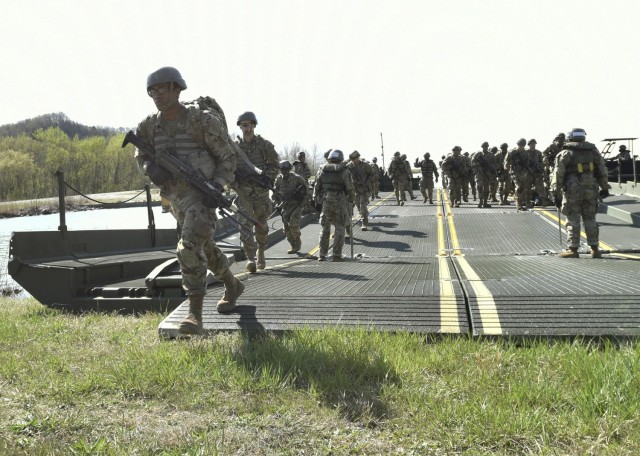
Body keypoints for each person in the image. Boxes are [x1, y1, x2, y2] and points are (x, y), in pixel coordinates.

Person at [134, 66, 244, 334]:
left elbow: (228, 158)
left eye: (162, 89)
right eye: (152, 91)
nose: (157, 95)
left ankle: (195, 314)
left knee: (187, 248)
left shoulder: (203, 122)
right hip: (176, 200)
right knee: (203, 249)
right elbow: (140, 154)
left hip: (203, 196)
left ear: (176, 89)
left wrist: (217, 186)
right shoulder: (149, 126)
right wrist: (150, 169)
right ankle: (232, 285)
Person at [552, 128, 611, 258]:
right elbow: (602, 169)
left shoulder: (565, 153)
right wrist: (605, 187)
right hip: (591, 187)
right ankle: (595, 248)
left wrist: (555, 192)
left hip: (573, 189)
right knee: (590, 217)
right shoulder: (593, 152)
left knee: (572, 218)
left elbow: (558, 174)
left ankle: (573, 249)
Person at [235, 111, 280, 272]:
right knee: (244, 225)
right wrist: (235, 176)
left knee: (261, 225)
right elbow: (226, 166)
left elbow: (276, 165)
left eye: (248, 124)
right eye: (243, 125)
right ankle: (250, 258)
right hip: (243, 193)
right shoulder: (235, 147)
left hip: (260, 192)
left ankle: (261, 251)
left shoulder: (264, 145)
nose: (246, 128)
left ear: (254, 125)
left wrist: (268, 178)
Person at [313, 150, 355, 261]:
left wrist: (318, 201)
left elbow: (316, 188)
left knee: (325, 229)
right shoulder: (344, 171)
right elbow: (350, 188)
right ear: (341, 158)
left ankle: (322, 254)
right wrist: (351, 199)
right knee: (340, 227)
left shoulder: (321, 170)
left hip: (326, 201)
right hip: (339, 201)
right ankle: (336, 255)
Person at [272, 160, 307, 254]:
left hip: (296, 206)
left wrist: (301, 204)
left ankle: (297, 239)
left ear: (289, 169)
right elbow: (275, 193)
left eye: (286, 169)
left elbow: (306, 192)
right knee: (286, 229)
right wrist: (276, 203)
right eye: (282, 169)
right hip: (285, 206)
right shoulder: (278, 179)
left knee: (293, 223)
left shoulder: (297, 178)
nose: (284, 171)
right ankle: (293, 245)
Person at [346, 151, 375, 230]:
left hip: (364, 189)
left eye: (356, 159)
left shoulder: (365, 165)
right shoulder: (348, 166)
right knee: (358, 205)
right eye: (353, 159)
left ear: (358, 158)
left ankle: (364, 222)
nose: (355, 161)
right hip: (354, 189)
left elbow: (372, 174)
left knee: (362, 205)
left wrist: (367, 182)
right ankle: (364, 214)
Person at [471, 142, 497, 208]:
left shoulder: (491, 155)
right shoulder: (477, 154)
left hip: (487, 174)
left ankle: (485, 202)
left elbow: (494, 164)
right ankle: (480, 202)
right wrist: (479, 165)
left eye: (486, 146)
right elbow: (472, 163)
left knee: (486, 189)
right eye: (484, 146)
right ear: (482, 147)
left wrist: (491, 169)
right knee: (479, 187)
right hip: (479, 173)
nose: (485, 148)